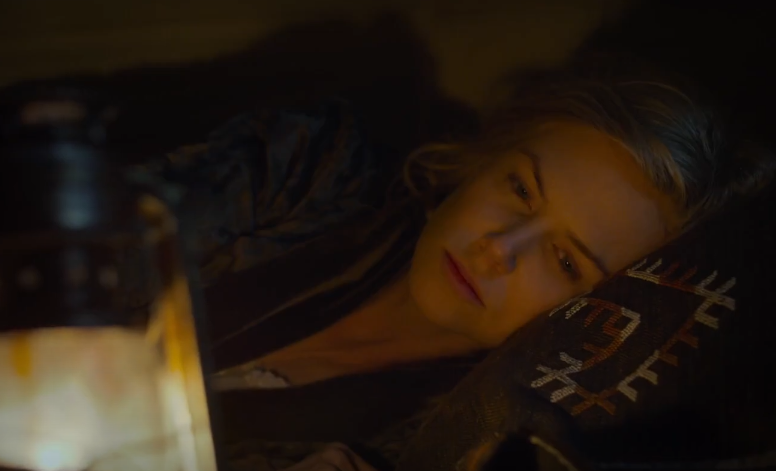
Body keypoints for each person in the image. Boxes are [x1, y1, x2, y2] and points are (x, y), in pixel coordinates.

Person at [124, 55, 774, 470]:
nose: (499, 248)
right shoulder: (317, 171)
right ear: (485, 157)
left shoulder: (440, 441)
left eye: (564, 260)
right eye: (520, 188)